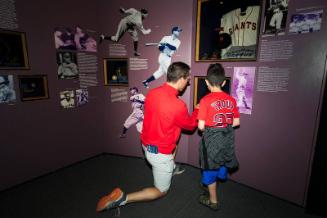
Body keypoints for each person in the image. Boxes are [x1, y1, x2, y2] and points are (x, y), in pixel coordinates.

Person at [96, 62, 199, 212]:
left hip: (146, 144)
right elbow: (190, 126)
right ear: (181, 78)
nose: (189, 81)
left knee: (175, 136)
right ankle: (123, 199)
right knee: (161, 191)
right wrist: (197, 111)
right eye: (188, 78)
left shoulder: (152, 93)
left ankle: (171, 167)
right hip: (159, 154)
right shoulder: (178, 105)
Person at [197, 63, 240, 210]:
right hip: (227, 137)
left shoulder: (205, 100)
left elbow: (201, 127)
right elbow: (236, 122)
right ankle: (221, 176)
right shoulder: (232, 100)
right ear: (224, 82)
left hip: (211, 139)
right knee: (223, 159)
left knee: (209, 168)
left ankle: (213, 201)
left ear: (207, 82)